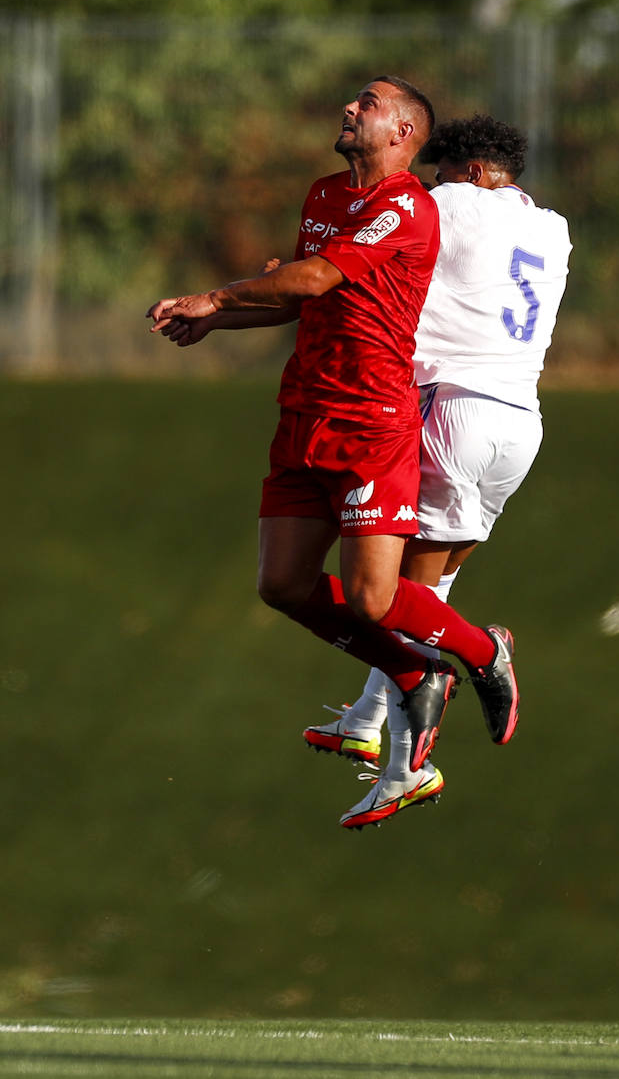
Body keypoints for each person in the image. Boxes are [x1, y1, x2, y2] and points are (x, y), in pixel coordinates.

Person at [147, 79, 519, 795]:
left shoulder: (408, 206)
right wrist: (217, 320)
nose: (350, 109)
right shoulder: (323, 195)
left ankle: (482, 651)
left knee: (372, 598)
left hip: (371, 424)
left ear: (404, 133)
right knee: (282, 583)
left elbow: (313, 278)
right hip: (303, 415)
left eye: (367, 103)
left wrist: (218, 296)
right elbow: (299, 296)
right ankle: (414, 672)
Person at [302, 113, 572, 829]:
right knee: (433, 585)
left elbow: (376, 249)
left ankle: (407, 766)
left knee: (391, 597)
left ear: (470, 171)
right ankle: (364, 721)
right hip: (520, 421)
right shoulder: (553, 225)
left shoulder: (445, 203)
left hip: (450, 407)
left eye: (443, 172)